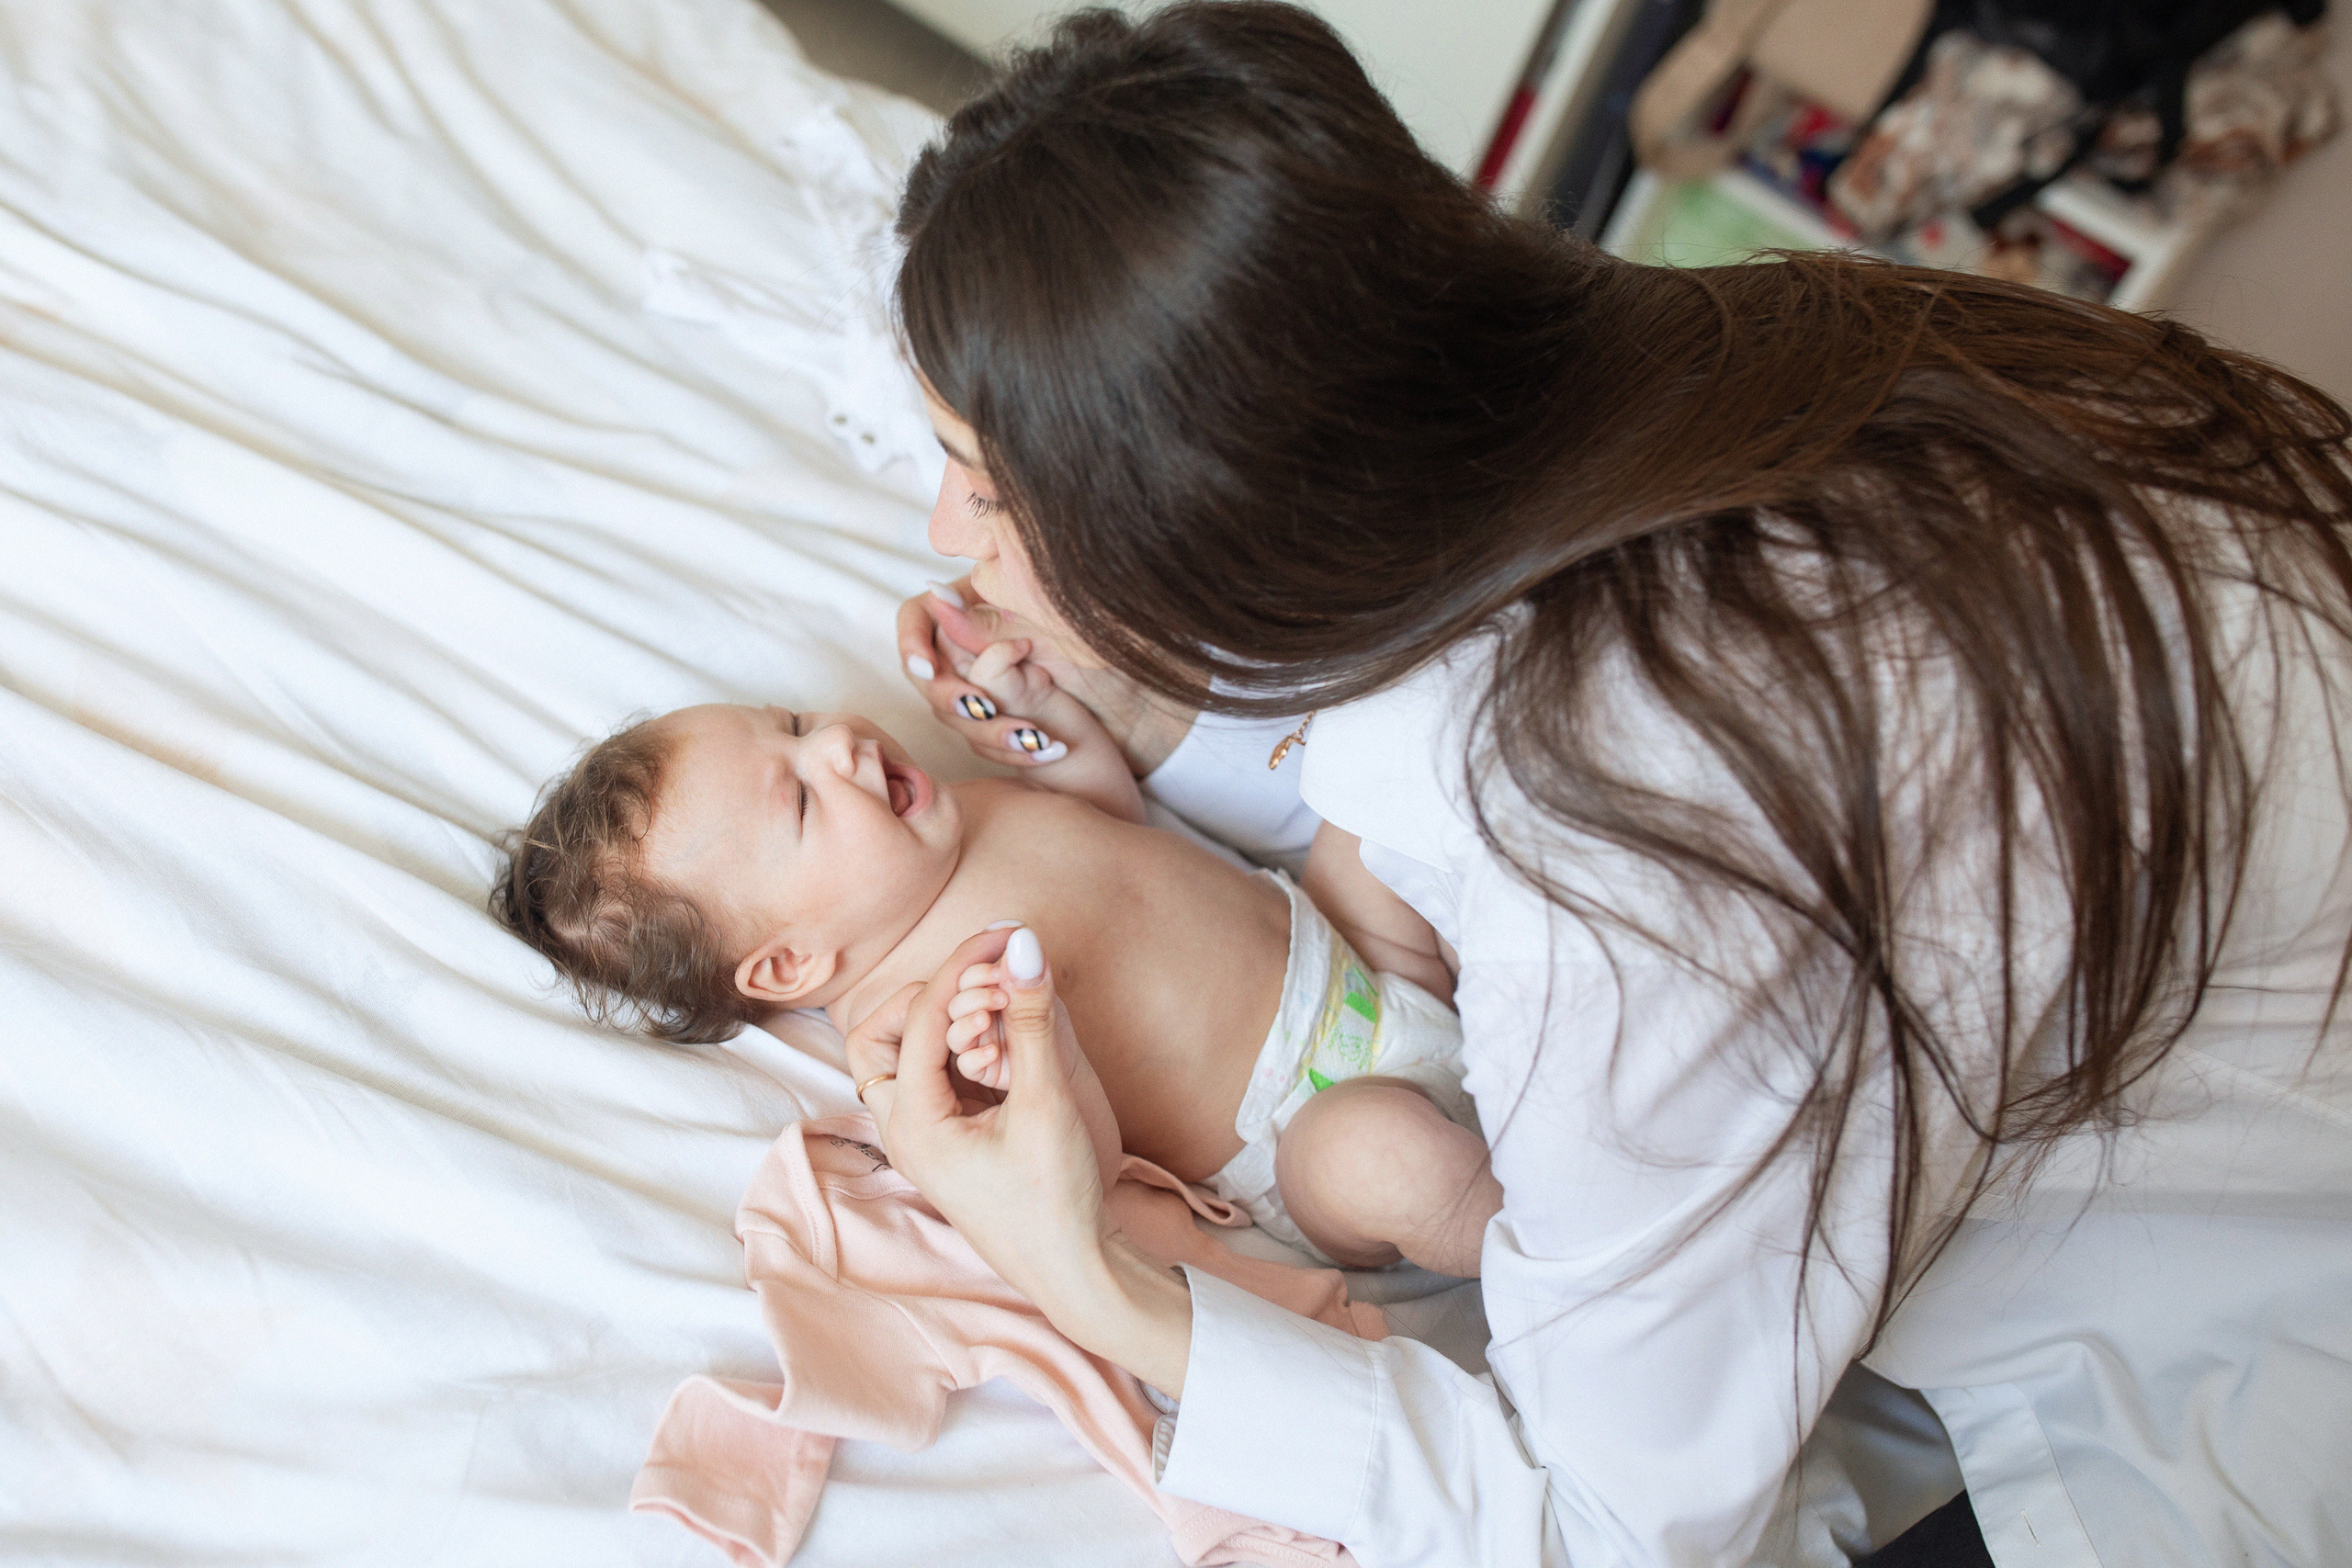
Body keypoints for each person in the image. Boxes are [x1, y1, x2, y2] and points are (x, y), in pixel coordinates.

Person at [844, 4, 2352, 1565]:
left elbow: (1609, 1525)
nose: (956, 533)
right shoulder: (1732, 349)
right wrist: (1140, 735)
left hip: (2270, 1343)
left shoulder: (1627, 840)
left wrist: (1088, 1272)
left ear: (1216, 511)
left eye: (992, 482)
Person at [488, 693, 1499, 1276]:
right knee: (1394, 1164)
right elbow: (1078, 1164)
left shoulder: (954, 813)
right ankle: (1550, 1252)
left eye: (793, 722)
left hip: (1356, 949)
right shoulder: (925, 1019)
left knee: (1379, 765)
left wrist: (1061, 738)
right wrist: (1003, 1066)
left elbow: (1113, 834)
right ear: (790, 966)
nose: (837, 742)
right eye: (799, 794)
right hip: (1308, 1120)